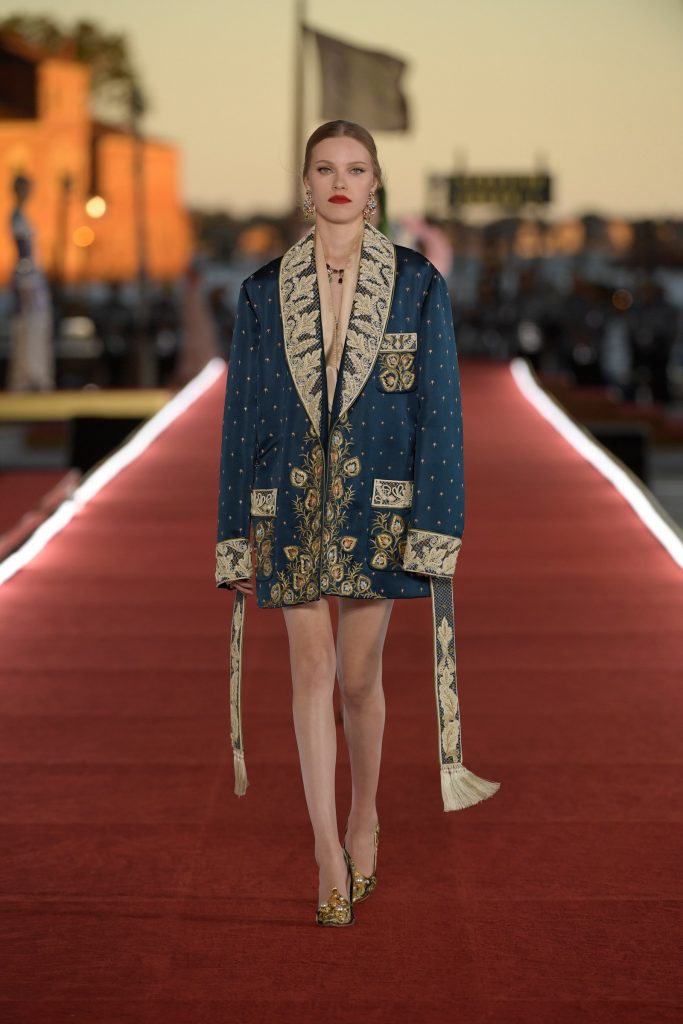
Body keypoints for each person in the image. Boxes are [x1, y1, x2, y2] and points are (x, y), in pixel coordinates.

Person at [215, 120, 500, 928]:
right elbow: (241, 416)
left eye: (354, 169)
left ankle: (363, 816)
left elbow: (439, 410)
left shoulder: (417, 284)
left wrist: (436, 524)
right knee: (309, 670)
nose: (339, 182)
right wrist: (233, 533)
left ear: (375, 185)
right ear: (304, 184)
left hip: (380, 505)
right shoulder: (261, 291)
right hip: (287, 501)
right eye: (324, 169)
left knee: (357, 678)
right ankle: (325, 852)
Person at [7, 174, 55, 392]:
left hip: (32, 278)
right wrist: (26, 280)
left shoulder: (22, 215)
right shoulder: (16, 216)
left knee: (36, 325)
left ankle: (36, 374)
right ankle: (28, 375)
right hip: (28, 280)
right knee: (28, 326)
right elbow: (24, 253)